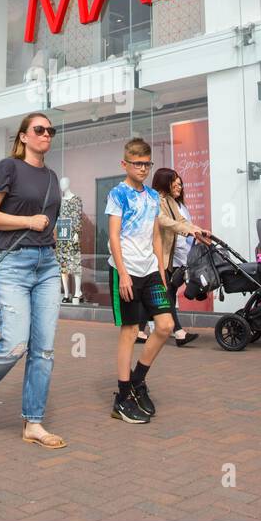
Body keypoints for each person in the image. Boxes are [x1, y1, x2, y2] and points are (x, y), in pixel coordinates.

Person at [0, 113, 66, 449]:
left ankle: (33, 423)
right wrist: (29, 221)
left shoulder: (52, 177)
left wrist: (48, 238)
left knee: (44, 349)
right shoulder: (8, 168)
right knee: (14, 344)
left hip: (47, 265)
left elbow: (49, 223)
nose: (46, 135)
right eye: (39, 130)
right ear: (23, 136)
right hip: (12, 263)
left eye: (50, 130)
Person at [106, 138, 173, 424]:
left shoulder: (152, 197)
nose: (143, 168)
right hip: (127, 271)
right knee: (131, 331)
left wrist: (161, 269)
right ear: (125, 164)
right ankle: (122, 397)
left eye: (147, 164)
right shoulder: (117, 194)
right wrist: (122, 273)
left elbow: (156, 235)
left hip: (151, 272)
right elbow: (113, 236)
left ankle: (138, 380)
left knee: (166, 325)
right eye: (138, 164)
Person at [145, 167, 207, 346]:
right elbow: (163, 221)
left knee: (165, 293)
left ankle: (144, 329)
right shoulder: (154, 199)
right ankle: (178, 332)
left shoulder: (170, 201)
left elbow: (181, 221)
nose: (178, 185)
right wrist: (188, 231)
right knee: (164, 294)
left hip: (167, 257)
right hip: (154, 255)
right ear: (165, 181)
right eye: (174, 181)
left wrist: (198, 231)